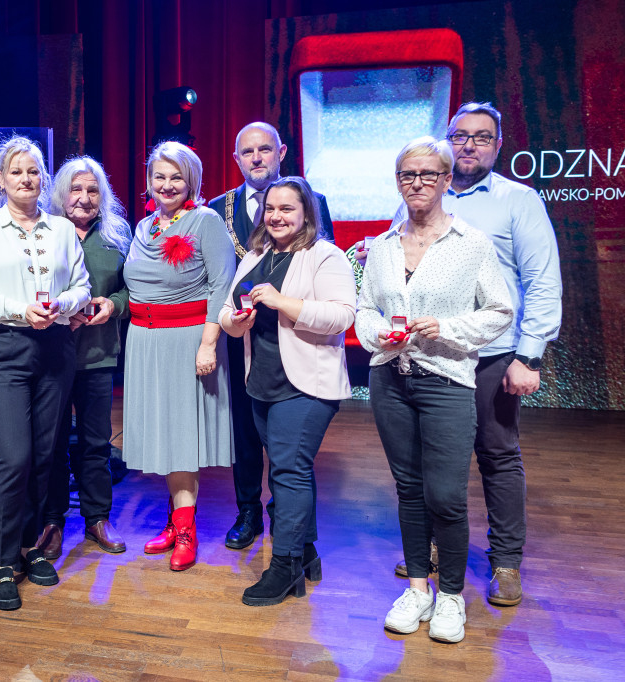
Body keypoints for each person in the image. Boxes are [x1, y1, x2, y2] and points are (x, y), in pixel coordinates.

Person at [378, 103, 563, 607]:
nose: (470, 145)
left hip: (492, 354)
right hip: (426, 355)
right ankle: (432, 548)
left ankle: (505, 562)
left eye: (482, 137)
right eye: (460, 136)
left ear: (498, 145)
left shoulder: (517, 201)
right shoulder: (419, 195)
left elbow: (541, 280)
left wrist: (531, 356)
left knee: (497, 456)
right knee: (427, 460)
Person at [355, 137, 512, 643]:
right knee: (409, 490)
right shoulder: (381, 247)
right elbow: (364, 308)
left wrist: (446, 329)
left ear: (447, 180)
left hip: (447, 381)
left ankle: (450, 597)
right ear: (398, 182)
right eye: (407, 175)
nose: (417, 184)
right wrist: (377, 332)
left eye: (427, 174)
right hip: (390, 379)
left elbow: (500, 311)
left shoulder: (471, 243)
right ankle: (418, 588)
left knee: (445, 494)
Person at [0, 136, 91, 610]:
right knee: (13, 457)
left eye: (34, 171)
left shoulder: (60, 228)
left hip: (56, 347)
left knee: (43, 454)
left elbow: (82, 285)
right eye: (17, 172)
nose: (26, 179)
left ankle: (31, 548)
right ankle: (1, 562)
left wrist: (63, 304)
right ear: (1, 180)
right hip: (5, 349)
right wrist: (20, 311)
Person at [219, 176, 355, 606]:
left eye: (287, 209)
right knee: (291, 469)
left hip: (307, 384)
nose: (276, 216)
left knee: (287, 471)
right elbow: (227, 309)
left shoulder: (325, 256)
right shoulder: (254, 256)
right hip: (261, 381)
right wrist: (233, 322)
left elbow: (342, 316)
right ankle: (307, 551)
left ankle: (285, 567)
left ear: (306, 214)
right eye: (271, 209)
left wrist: (284, 303)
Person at [208, 122, 335, 551]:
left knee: (286, 447)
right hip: (240, 340)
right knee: (244, 431)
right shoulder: (217, 207)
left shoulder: (311, 201)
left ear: (281, 152)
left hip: (294, 340)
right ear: (237, 159)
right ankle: (248, 511)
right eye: (248, 151)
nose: (257, 157)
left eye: (265, 149)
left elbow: (324, 272)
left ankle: (290, 520)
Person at [122, 141, 236, 572]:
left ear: (191, 181)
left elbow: (222, 286)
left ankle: (187, 531)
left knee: (183, 437)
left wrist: (208, 344)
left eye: (176, 177)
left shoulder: (205, 221)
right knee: (166, 436)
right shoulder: (143, 227)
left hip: (187, 340)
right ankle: (176, 521)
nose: (167, 185)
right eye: (159, 177)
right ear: (149, 180)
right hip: (144, 340)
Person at [37, 156, 131, 560]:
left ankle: (97, 519)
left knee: (95, 443)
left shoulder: (117, 236)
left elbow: (134, 290)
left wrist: (113, 304)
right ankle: (53, 522)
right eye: (76, 189)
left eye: (93, 190)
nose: (84, 197)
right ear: (61, 193)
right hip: (49, 357)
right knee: (52, 443)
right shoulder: (43, 232)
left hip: (97, 355)